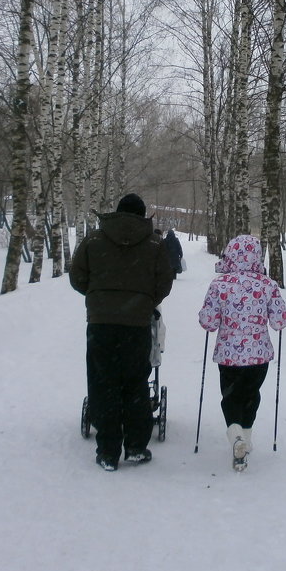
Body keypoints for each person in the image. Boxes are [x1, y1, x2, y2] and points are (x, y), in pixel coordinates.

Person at [70, 193, 174, 471]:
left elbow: (77, 276)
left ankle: (107, 450)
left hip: (101, 323)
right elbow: (164, 281)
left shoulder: (94, 239)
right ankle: (136, 446)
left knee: (103, 382)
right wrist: (144, 301)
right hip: (137, 324)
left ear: (117, 212)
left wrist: (98, 296)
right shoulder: (154, 243)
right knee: (135, 382)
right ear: (142, 216)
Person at [197, 234, 286, 471]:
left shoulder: (220, 284)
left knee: (230, 396)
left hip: (229, 355)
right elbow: (280, 322)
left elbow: (208, 322)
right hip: (259, 356)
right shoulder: (268, 285)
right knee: (251, 395)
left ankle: (236, 436)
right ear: (257, 256)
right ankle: (245, 441)